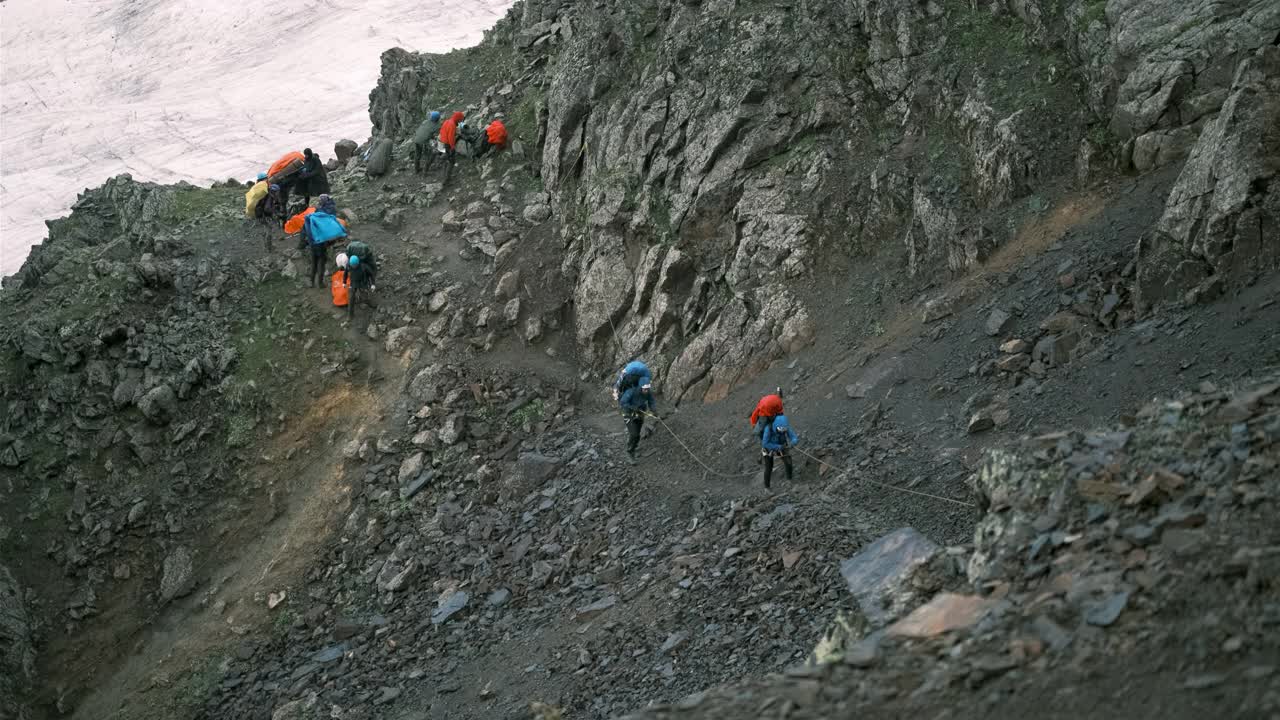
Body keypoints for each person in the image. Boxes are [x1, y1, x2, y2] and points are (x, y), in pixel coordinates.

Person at [614, 361, 656, 462]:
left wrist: (655, 411)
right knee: (634, 434)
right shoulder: (631, 392)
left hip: (640, 412)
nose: (646, 391)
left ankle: (634, 447)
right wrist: (633, 407)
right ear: (640, 387)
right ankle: (629, 452)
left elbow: (651, 401)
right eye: (644, 389)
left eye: (647, 389)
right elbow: (623, 403)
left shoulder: (647, 393)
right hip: (628, 412)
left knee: (637, 433)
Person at [760, 414, 798, 489]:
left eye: (784, 429)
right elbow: (765, 443)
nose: (782, 431)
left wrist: (792, 443)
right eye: (780, 429)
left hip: (782, 446)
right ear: (776, 426)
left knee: (788, 462)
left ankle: (789, 480)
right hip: (769, 449)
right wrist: (779, 447)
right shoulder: (768, 428)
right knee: (769, 467)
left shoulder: (785, 427)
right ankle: (767, 488)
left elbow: (794, 437)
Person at [341, 240, 378, 320]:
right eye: (352, 265)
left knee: (364, 294)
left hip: (362, 282)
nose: (352, 267)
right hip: (353, 283)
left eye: (354, 265)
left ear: (357, 263)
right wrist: (344, 282)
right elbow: (345, 274)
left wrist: (373, 284)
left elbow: (371, 274)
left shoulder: (364, 266)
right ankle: (350, 315)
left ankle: (368, 301)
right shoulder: (349, 265)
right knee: (351, 298)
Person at [438, 111, 465, 183]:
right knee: (452, 161)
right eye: (460, 120)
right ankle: (446, 180)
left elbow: (443, 130)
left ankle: (443, 161)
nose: (460, 121)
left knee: (447, 156)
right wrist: (452, 147)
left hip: (442, 141)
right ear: (458, 119)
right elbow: (451, 138)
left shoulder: (447, 121)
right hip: (447, 144)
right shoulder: (452, 125)